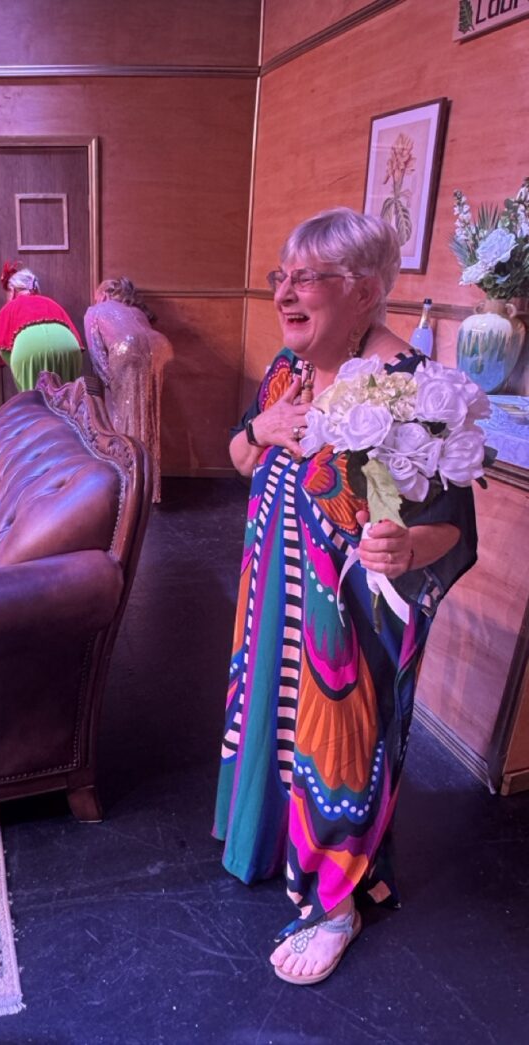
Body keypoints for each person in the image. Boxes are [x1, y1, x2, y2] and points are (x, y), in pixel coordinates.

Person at [212, 207, 478, 986]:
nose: (285, 293)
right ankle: (273, 841)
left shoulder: (412, 389)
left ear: (364, 291)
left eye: (306, 278)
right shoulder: (290, 370)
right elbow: (237, 454)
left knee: (340, 746)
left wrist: (405, 546)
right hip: (271, 596)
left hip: (348, 617)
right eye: (280, 277)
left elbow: (453, 526)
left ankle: (337, 903)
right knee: (272, 718)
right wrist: (259, 430)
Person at [84, 277, 172, 503]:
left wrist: (110, 381)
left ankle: (127, 485)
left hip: (126, 350)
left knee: (122, 413)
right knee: (148, 414)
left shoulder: (95, 311)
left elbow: (96, 353)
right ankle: (150, 487)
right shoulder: (135, 310)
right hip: (159, 347)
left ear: (102, 294)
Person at [0, 263, 83, 392]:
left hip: (29, 351)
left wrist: (16, 364)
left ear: (13, 290)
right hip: (68, 347)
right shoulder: (52, 303)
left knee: (34, 400)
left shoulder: (9, 308)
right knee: (67, 398)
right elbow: (76, 339)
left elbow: (3, 349)